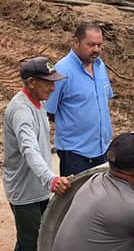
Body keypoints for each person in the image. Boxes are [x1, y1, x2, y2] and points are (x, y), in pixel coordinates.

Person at [2, 57, 73, 251]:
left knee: (25, 242)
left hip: (37, 187)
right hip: (25, 191)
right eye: (47, 84)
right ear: (31, 83)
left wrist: (46, 180)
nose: (52, 89)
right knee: (34, 248)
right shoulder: (21, 111)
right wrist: (51, 180)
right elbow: (29, 150)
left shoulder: (38, 102)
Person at [46, 23, 115, 176]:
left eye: (99, 45)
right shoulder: (62, 71)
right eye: (90, 45)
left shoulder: (99, 65)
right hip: (75, 153)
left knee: (100, 197)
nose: (96, 49)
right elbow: (49, 111)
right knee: (77, 198)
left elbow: (105, 100)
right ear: (76, 42)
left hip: (102, 148)